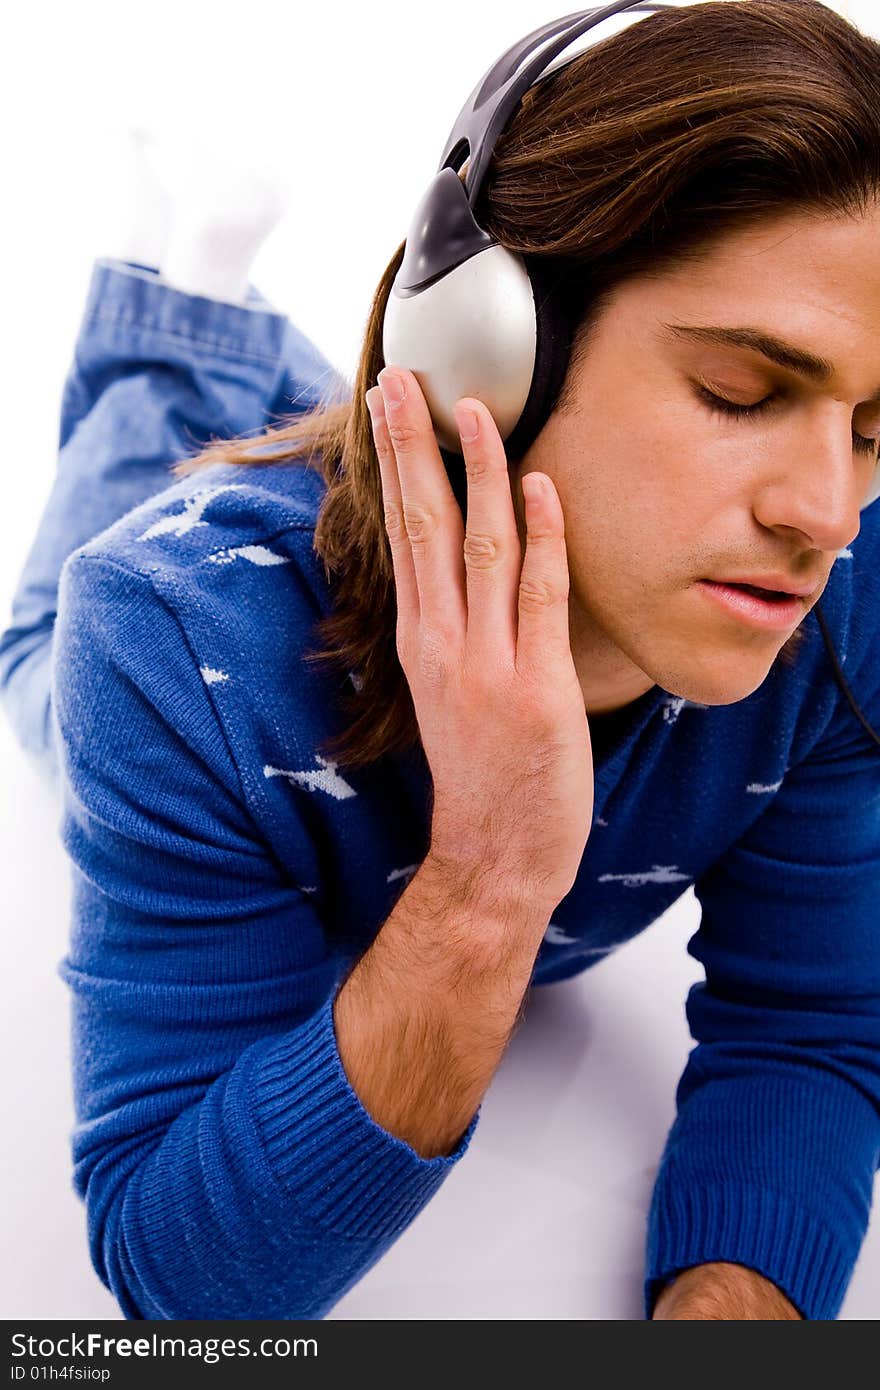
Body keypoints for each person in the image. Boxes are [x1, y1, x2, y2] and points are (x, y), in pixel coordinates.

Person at [2, 0, 879, 1321]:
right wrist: (489, 877)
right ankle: (181, 294)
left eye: (874, 428)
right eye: (744, 394)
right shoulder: (166, 630)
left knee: (304, 431)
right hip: (122, 628)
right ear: (489, 348)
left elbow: (813, 1034)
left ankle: (256, 347)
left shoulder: (836, 602)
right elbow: (185, 1285)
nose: (825, 511)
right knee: (38, 644)